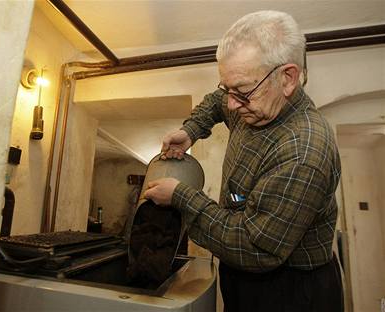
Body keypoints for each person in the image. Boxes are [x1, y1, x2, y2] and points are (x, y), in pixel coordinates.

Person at [143, 10, 344, 312]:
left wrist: (181, 197)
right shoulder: (255, 99)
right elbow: (216, 100)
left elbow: (255, 249)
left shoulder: (303, 151)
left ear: (287, 77)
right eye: (229, 89)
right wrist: (190, 130)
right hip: (241, 274)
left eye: (242, 92)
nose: (233, 105)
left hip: (288, 292)